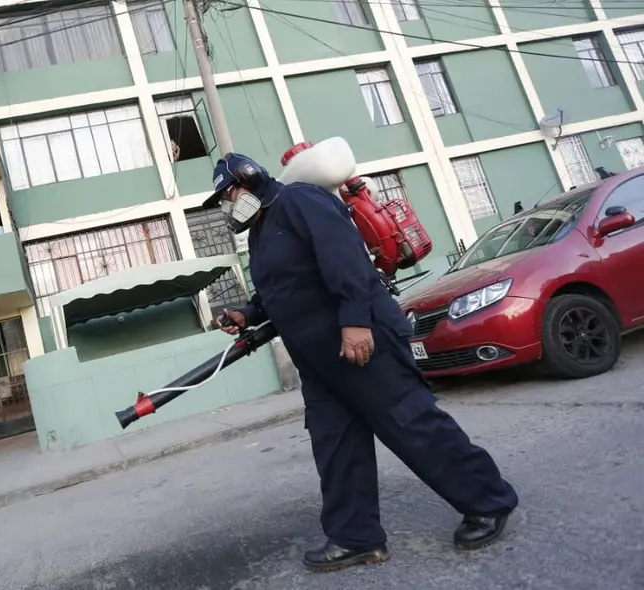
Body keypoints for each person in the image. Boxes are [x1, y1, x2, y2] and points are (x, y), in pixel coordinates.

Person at [204, 152, 519, 572]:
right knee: (336, 447)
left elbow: (345, 258)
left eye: (230, 192)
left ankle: (489, 501)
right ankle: (356, 538)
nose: (229, 203)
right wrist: (247, 312)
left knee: (412, 425)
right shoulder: (262, 232)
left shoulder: (299, 201)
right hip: (318, 363)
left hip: (361, 342)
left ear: (250, 179)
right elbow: (279, 291)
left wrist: (354, 321)